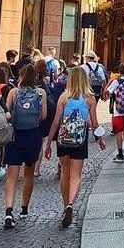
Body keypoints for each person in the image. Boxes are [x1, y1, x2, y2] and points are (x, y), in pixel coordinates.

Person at [45, 66, 103, 226]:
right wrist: (100, 139)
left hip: (63, 140)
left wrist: (49, 143)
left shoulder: (64, 97)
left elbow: (56, 122)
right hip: (79, 140)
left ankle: (65, 205)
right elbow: (95, 123)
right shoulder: (89, 98)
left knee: (65, 173)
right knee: (76, 176)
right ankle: (71, 203)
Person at [3, 63, 47, 227]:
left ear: (20, 76)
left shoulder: (13, 92)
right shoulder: (40, 93)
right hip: (32, 136)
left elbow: (7, 114)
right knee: (28, 173)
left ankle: (8, 210)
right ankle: (24, 207)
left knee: (12, 176)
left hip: (15, 136)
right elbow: (43, 116)